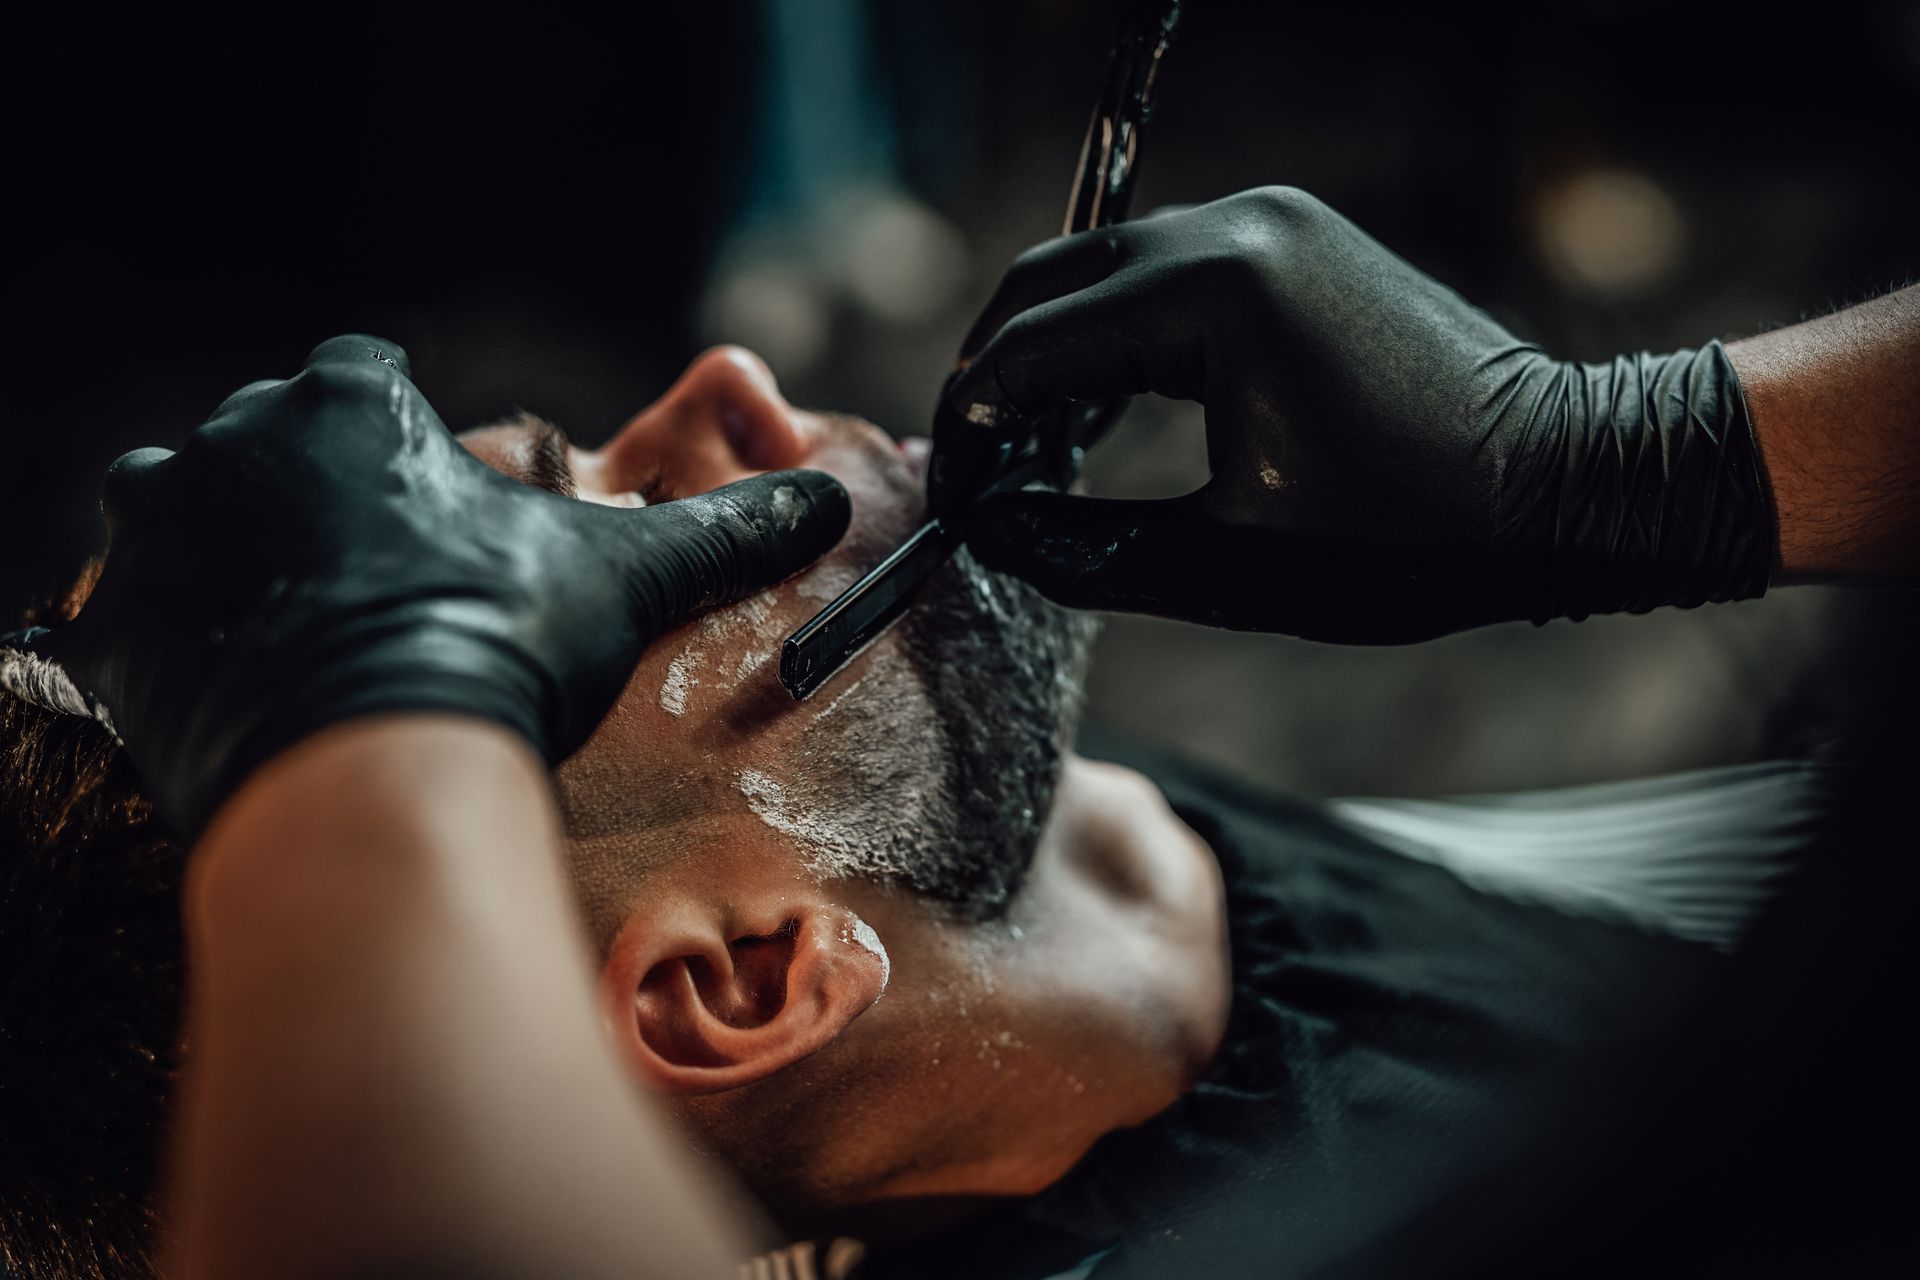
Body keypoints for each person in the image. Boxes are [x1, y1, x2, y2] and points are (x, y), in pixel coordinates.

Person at [0, 184, 1910, 1279]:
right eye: (567, 543)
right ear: (744, 979)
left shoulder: (1007, 836)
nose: (719, 393)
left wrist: (1661, 464)